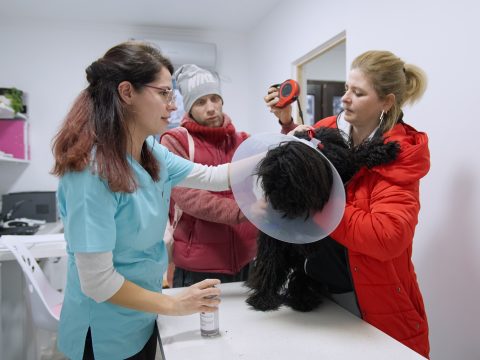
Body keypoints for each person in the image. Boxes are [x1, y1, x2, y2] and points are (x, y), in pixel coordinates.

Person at [51, 41, 230, 360]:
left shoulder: (150, 151)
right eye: (164, 93)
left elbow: (214, 176)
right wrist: (175, 303)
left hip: (143, 319)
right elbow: (98, 283)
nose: (173, 106)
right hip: (105, 336)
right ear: (127, 92)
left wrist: (277, 152)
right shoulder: (90, 173)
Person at [264, 50, 430, 358]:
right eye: (345, 89)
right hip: (317, 290)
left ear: (386, 102)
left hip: (367, 299)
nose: (345, 99)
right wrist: (290, 129)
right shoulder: (328, 128)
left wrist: (316, 198)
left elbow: (386, 238)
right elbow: (301, 170)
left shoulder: (400, 155)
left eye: (358, 93)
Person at [160, 64, 257, 288]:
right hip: (199, 266)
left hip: (247, 258)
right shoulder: (176, 141)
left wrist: (286, 124)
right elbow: (189, 197)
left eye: (215, 98)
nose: (211, 108)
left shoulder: (242, 140)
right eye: (201, 102)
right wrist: (242, 211)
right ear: (189, 108)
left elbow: (272, 167)